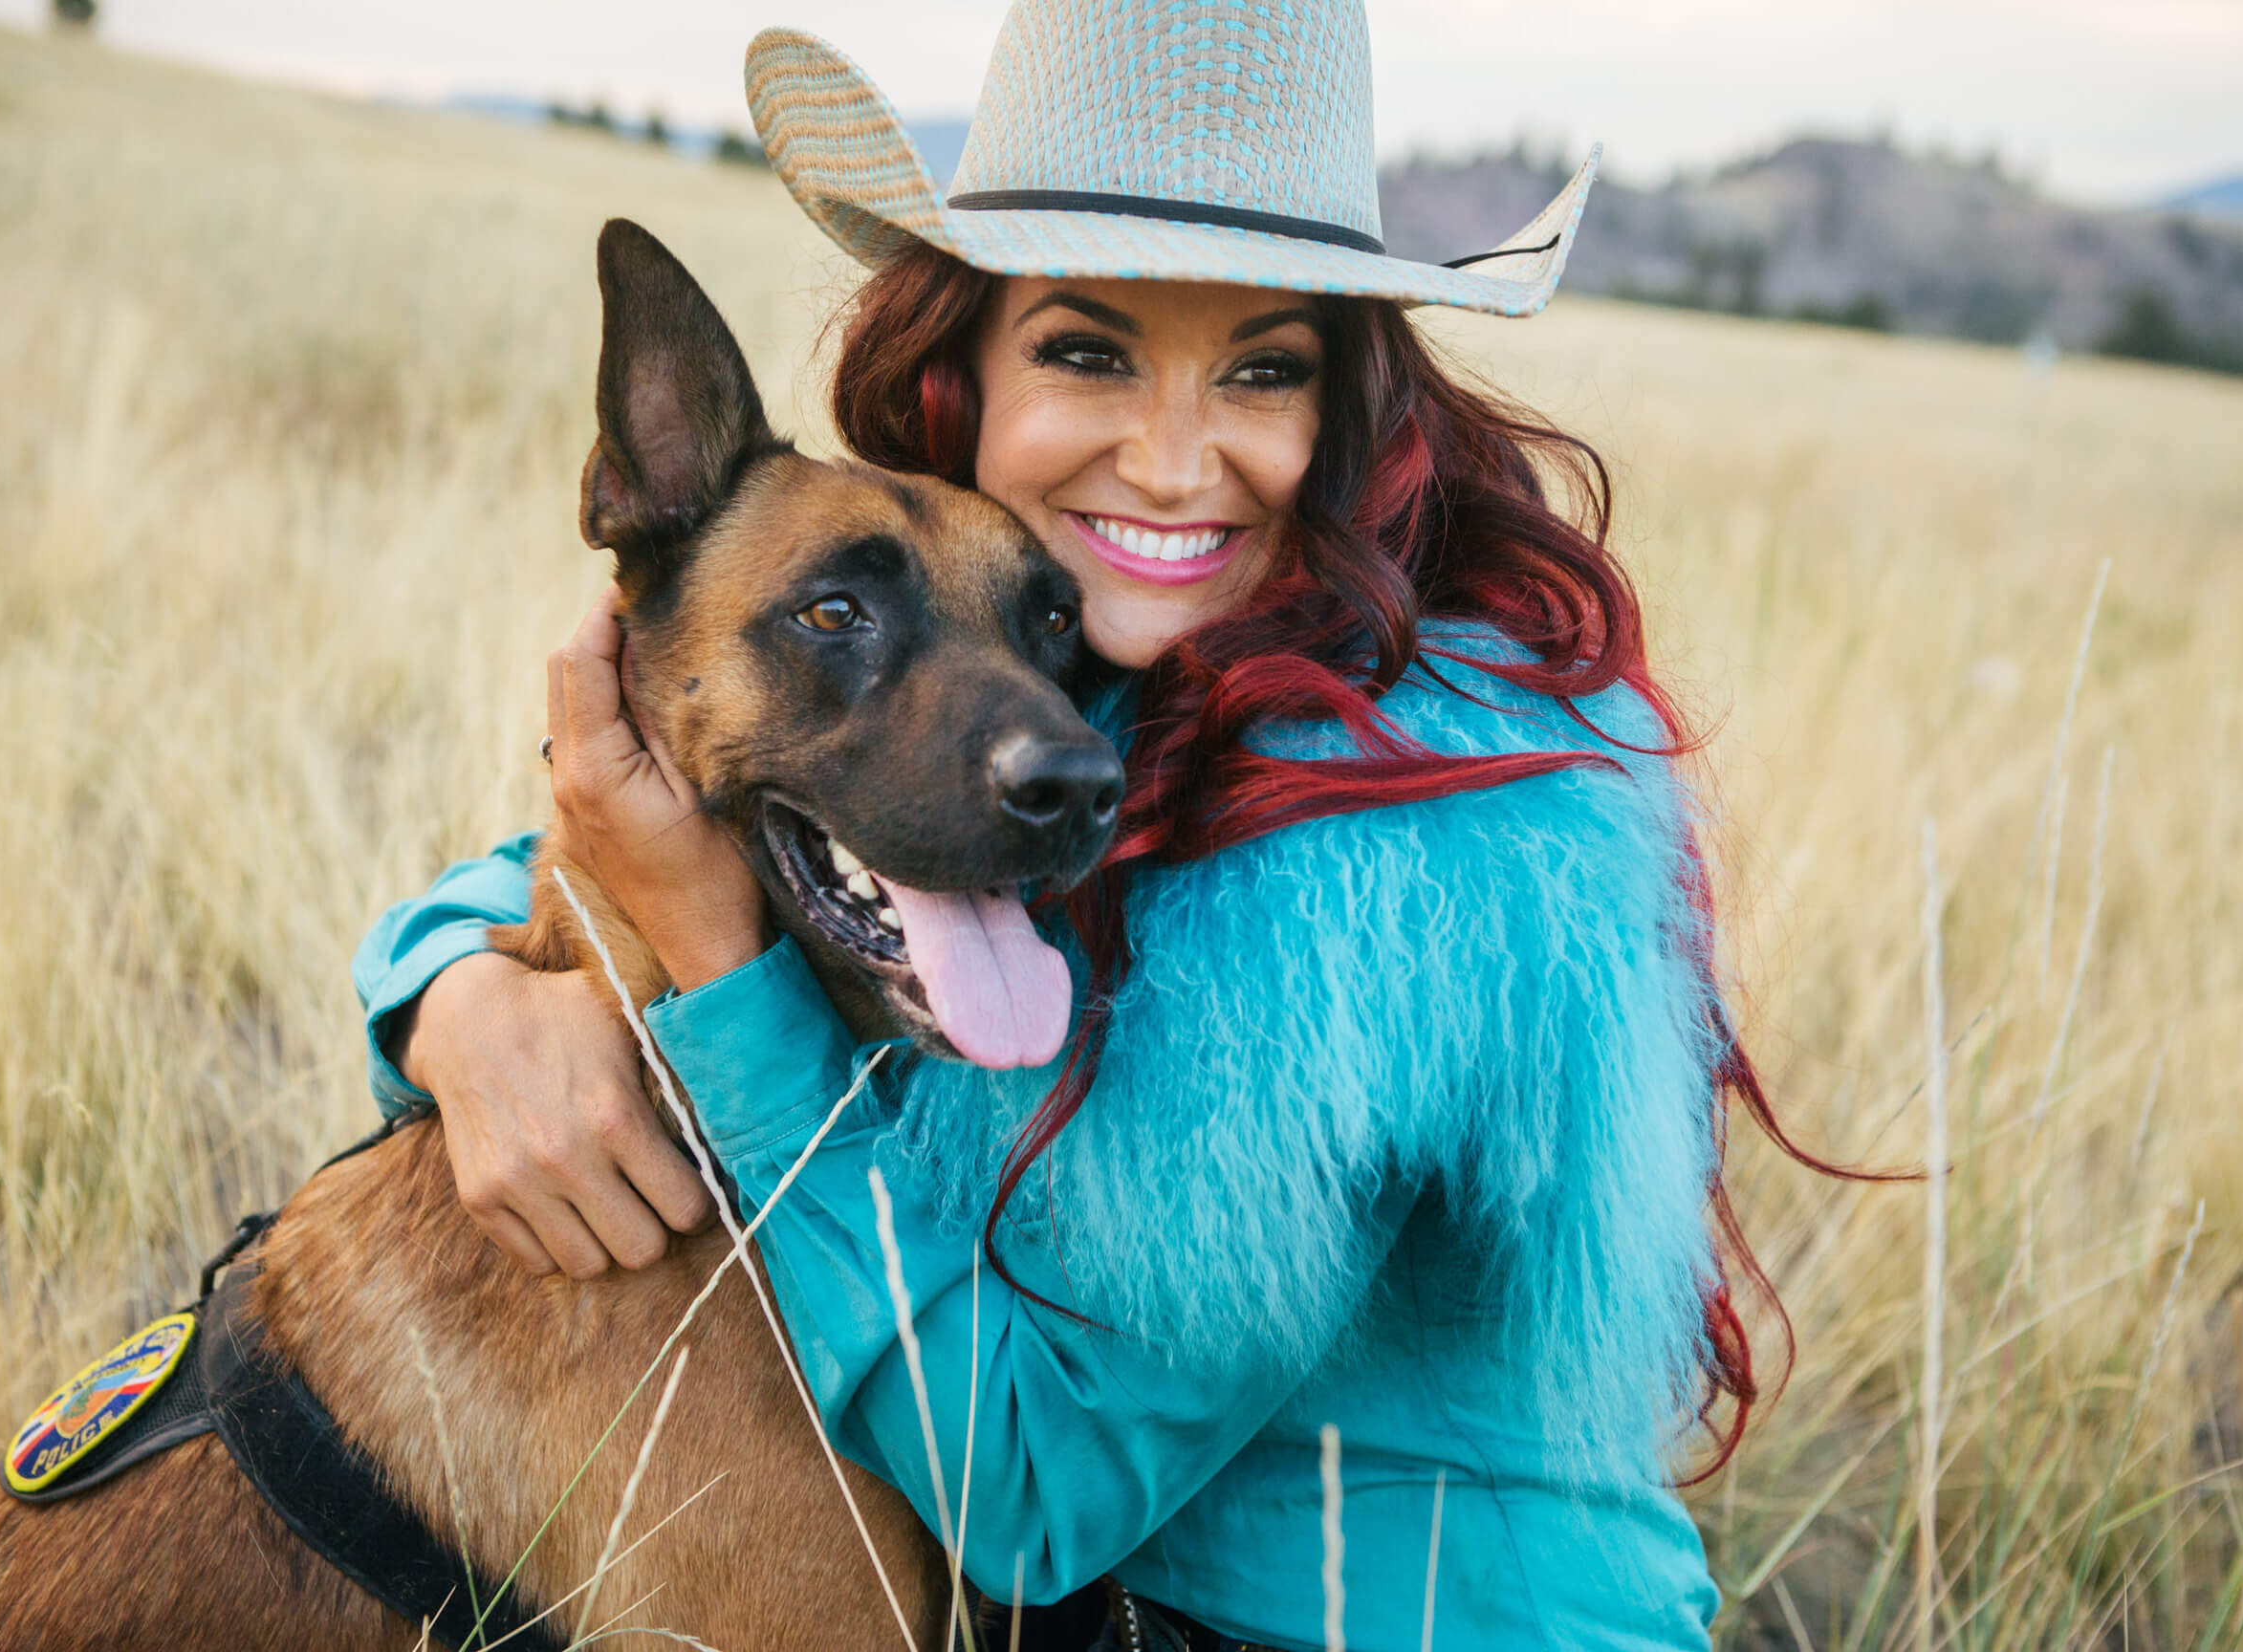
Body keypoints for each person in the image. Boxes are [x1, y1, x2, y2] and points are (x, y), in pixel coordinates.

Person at [355, 4, 1818, 1646]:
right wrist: (452, 993)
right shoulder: (1066, 658)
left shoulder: (1404, 856)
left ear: (1339, 414)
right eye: (1091, 351)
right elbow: (686, 838)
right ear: (957, 367)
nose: (1176, 460)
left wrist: (712, 973)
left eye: (1263, 369)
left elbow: (1030, 1499)